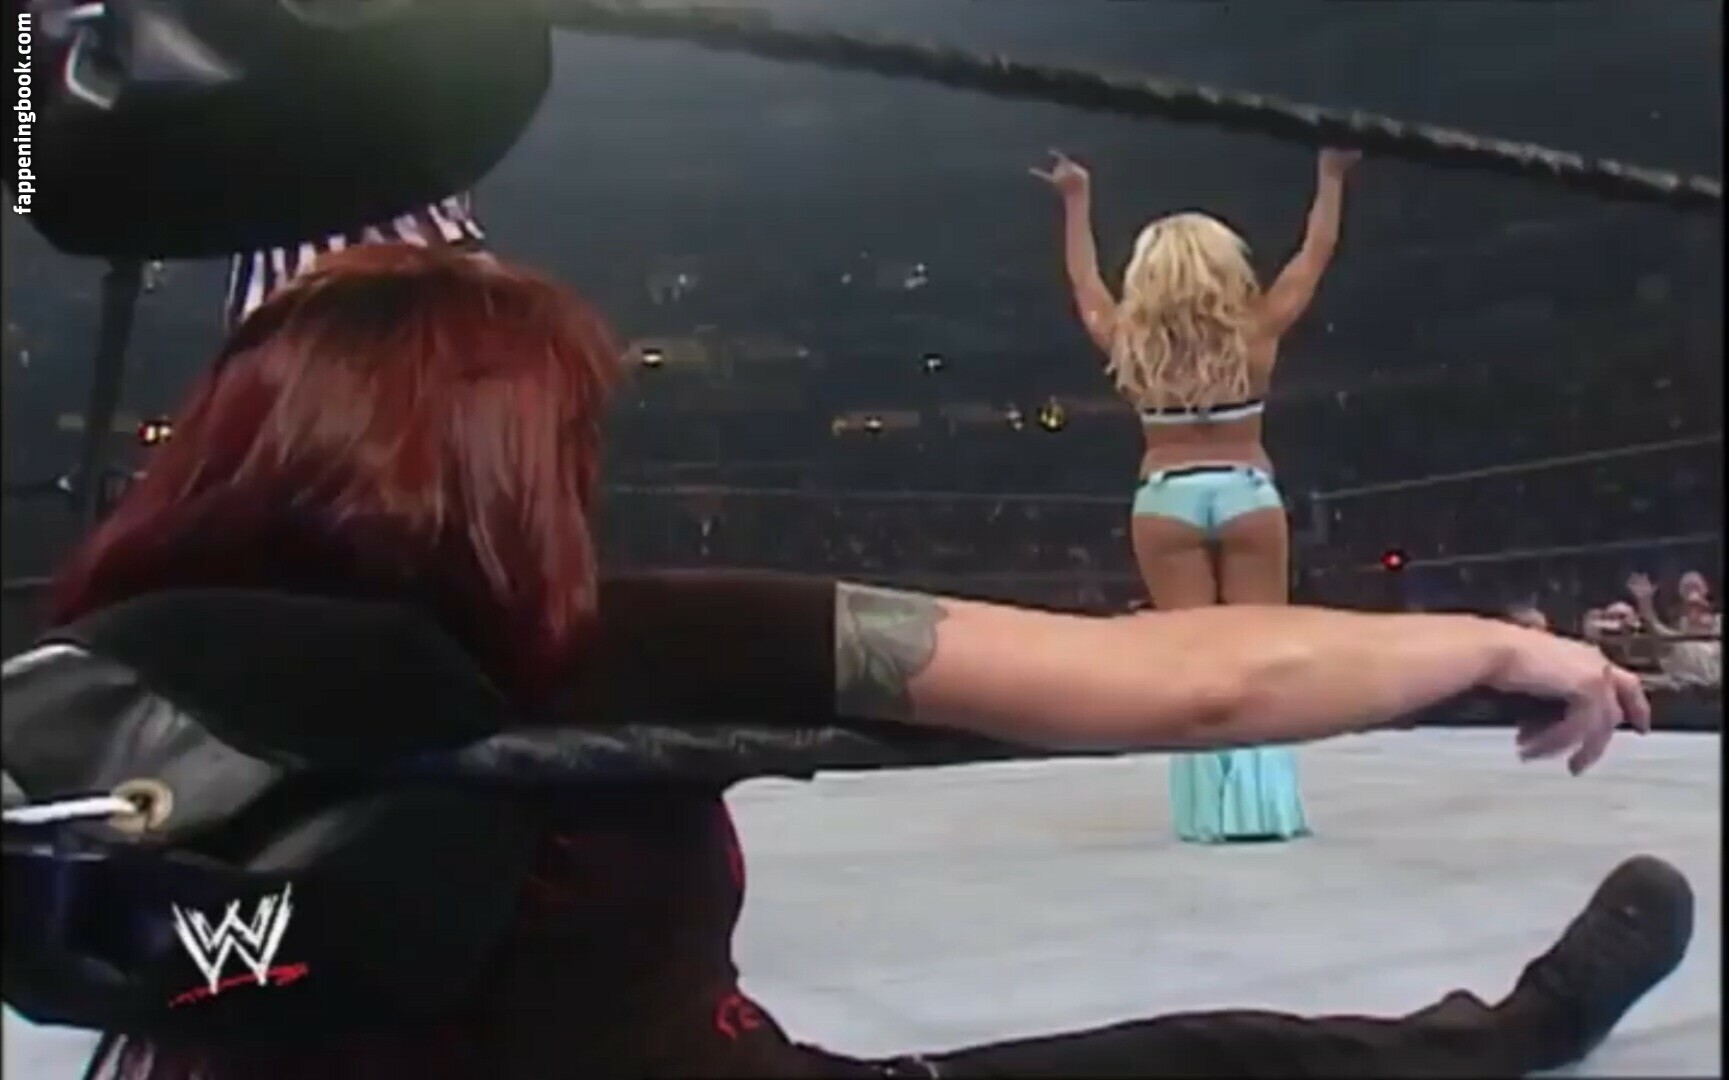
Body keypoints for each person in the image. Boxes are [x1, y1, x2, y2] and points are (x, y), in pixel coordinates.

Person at [19, 245, 1685, 1080]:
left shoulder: (110, 682)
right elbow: (1189, 682)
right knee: (1219, 1063)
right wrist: (1489, 641)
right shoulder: (624, 641)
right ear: (520, 466)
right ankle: (1520, 1028)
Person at [1032, 147, 1359, 843]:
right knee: (1259, 651)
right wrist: (1329, 179)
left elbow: (1082, 280)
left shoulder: (1129, 341)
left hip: (1166, 499)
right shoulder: (1256, 331)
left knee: (1191, 660)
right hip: (1245, 491)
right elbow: (1314, 255)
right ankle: (1263, 810)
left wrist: (1076, 202)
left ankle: (1206, 815)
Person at [1628, 571, 1721, 689]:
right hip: (1685, 689)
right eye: (1687, 588)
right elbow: (1655, 628)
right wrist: (1644, 602)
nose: (1697, 612)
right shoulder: (1678, 640)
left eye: (1696, 586)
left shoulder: (1718, 624)